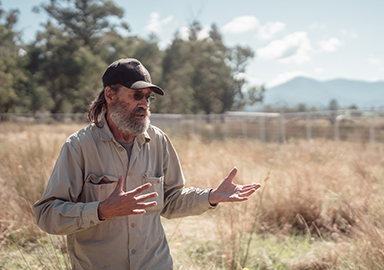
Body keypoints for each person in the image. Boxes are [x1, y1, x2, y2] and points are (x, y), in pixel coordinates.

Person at [34, 58, 261, 270]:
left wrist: (210, 196)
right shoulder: (79, 146)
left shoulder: (158, 141)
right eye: (136, 95)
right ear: (110, 95)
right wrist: (100, 211)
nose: (144, 104)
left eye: (148, 97)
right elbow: (46, 215)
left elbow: (171, 201)